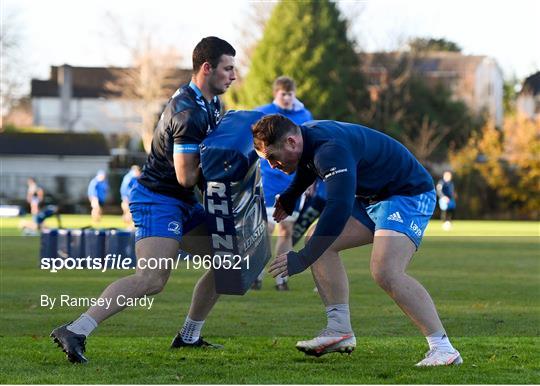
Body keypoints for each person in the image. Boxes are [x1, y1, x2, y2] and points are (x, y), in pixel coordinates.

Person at [51, 36, 237, 363]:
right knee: (152, 278)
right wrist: (227, 170)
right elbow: (186, 177)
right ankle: (76, 330)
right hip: (157, 199)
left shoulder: (211, 104)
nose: (233, 76)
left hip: (181, 200)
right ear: (207, 68)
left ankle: (189, 337)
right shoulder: (188, 112)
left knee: (228, 260)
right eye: (228, 68)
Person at [252, 115, 462, 367]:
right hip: (372, 196)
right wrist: (291, 195)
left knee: (385, 271)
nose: (273, 166)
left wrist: (304, 258)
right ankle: (339, 330)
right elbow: (308, 166)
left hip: (407, 192)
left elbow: (338, 207)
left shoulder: (329, 150)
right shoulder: (305, 138)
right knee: (320, 243)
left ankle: (443, 349)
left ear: (291, 141)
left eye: (273, 158)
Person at [252, 76, 313, 291]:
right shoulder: (263, 112)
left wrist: (310, 178)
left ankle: (281, 278)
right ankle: (256, 274)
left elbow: (307, 148)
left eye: (290, 94)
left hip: (294, 179)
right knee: (265, 228)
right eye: (283, 94)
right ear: (275, 94)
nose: (287, 98)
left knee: (286, 229)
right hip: (269, 179)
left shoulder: (304, 115)